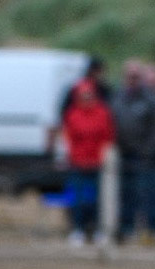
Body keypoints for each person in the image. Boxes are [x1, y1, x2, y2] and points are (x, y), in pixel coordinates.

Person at [111, 60, 155, 243]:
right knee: (125, 196)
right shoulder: (117, 99)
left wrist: (148, 151)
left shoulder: (151, 100)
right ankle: (126, 229)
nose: (133, 80)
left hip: (145, 158)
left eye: (136, 76)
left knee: (149, 196)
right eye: (130, 76)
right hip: (122, 156)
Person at [60, 80, 114, 246]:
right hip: (77, 163)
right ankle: (77, 230)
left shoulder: (102, 113)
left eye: (89, 95)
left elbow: (107, 136)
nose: (86, 98)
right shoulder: (72, 114)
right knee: (77, 199)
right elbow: (68, 138)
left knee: (99, 200)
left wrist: (103, 157)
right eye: (83, 95)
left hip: (97, 164)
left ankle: (99, 230)